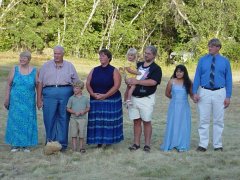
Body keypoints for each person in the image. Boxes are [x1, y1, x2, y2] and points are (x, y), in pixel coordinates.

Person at [193, 38, 232, 152]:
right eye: (209, 46)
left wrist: (228, 96)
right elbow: (197, 77)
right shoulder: (202, 60)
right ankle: (202, 144)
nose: (209, 48)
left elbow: (228, 79)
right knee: (203, 119)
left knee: (218, 120)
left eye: (212, 46)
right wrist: (195, 92)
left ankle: (217, 145)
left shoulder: (225, 61)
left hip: (220, 92)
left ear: (218, 47)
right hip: (204, 91)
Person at [37, 45, 79, 151]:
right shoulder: (46, 66)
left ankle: (62, 144)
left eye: (58, 54)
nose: (56, 56)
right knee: (49, 118)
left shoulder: (70, 66)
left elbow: (76, 82)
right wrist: (38, 99)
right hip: (49, 93)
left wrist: (77, 98)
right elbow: (40, 83)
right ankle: (50, 142)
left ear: (63, 54)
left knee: (64, 118)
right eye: (55, 53)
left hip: (65, 92)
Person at [127, 45, 162, 152]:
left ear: (154, 55)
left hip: (146, 98)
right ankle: (136, 143)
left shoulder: (156, 68)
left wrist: (137, 82)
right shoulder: (138, 64)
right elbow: (129, 74)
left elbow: (153, 82)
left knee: (146, 121)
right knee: (136, 121)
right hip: (134, 97)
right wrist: (127, 80)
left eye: (148, 53)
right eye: (145, 53)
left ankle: (147, 144)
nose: (146, 55)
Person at [86, 49, 123, 147]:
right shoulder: (94, 70)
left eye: (103, 56)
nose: (100, 57)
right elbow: (88, 83)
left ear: (109, 58)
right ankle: (98, 141)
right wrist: (92, 93)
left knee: (108, 122)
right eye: (100, 56)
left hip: (110, 100)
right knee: (97, 122)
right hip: (95, 100)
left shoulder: (114, 70)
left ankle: (108, 141)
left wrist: (105, 96)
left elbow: (116, 86)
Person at [4, 51, 38, 152]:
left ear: (29, 59)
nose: (22, 60)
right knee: (15, 121)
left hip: (28, 102)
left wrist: (39, 99)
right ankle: (15, 144)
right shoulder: (14, 69)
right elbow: (9, 84)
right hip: (15, 101)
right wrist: (7, 98)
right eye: (21, 57)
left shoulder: (34, 71)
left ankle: (25, 145)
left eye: (24, 58)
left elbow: (38, 85)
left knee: (27, 122)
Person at [160, 64, 192, 152]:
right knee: (173, 123)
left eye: (181, 71)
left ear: (184, 73)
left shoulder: (188, 82)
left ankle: (181, 144)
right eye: (177, 71)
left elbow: (192, 94)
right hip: (174, 106)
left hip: (184, 107)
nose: (178, 73)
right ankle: (171, 143)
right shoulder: (171, 81)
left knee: (183, 124)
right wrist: (175, 99)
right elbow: (167, 93)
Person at [67, 80, 90, 153]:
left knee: (81, 134)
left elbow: (88, 108)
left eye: (77, 88)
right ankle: (74, 148)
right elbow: (68, 108)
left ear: (81, 89)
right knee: (73, 134)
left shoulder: (85, 98)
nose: (75, 90)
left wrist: (84, 111)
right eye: (74, 88)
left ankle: (81, 147)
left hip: (82, 119)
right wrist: (74, 112)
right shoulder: (71, 98)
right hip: (73, 119)